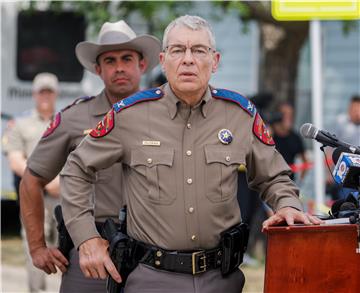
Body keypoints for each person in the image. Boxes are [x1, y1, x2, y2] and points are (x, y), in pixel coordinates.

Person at [60, 15, 322, 292]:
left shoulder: (239, 115)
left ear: (215, 61)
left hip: (221, 279)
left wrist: (288, 205)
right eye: (177, 50)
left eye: (198, 50)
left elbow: (274, 177)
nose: (188, 59)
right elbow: (76, 168)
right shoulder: (130, 116)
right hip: (151, 279)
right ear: (163, 59)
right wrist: (86, 237)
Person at [19, 20, 161, 292]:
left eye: (127, 58)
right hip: (92, 251)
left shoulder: (166, 116)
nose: (119, 67)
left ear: (142, 65)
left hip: (155, 253)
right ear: (98, 69)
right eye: (110, 60)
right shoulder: (74, 118)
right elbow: (31, 180)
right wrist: (37, 247)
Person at [3, 72, 60, 293]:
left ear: (56, 94)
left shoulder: (65, 120)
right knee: (36, 247)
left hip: (64, 195)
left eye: (49, 91)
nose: (45, 96)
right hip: (34, 195)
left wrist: (62, 183)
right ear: (34, 94)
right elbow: (16, 160)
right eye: (41, 91)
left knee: (67, 248)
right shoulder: (19, 124)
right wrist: (46, 181)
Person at [271, 102, 309, 181]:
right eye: (285, 114)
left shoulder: (295, 138)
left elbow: (305, 161)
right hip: (270, 181)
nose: (289, 118)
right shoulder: (270, 135)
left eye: (291, 115)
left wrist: (300, 182)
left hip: (289, 183)